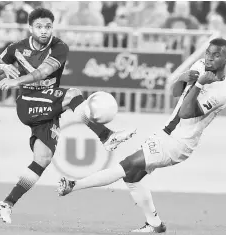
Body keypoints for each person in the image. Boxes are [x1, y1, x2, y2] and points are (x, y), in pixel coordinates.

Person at [57, 38, 226, 233]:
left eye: (216, 55)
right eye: (208, 53)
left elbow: (185, 113)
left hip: (179, 143)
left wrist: (198, 84)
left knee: (128, 165)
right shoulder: (200, 66)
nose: (210, 59)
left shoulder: (222, 90)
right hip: (166, 132)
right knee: (132, 177)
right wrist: (182, 77)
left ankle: (73, 185)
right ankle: (155, 225)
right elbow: (175, 93)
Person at [0, 8, 135, 224]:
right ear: (30, 28)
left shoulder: (59, 47)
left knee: (43, 159)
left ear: (53, 27)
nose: (44, 31)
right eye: (39, 26)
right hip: (28, 103)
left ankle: (7, 203)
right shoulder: (16, 48)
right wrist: (2, 66)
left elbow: (43, 73)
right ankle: (106, 136)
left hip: (47, 105)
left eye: (48, 26)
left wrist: (16, 81)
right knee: (72, 95)